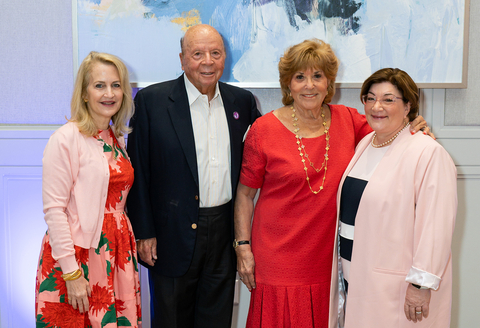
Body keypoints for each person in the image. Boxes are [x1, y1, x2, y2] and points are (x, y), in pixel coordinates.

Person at [234, 39, 430, 328]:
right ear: (288, 84)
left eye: (317, 76)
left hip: (329, 257)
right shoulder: (264, 130)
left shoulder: (349, 120)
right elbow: (245, 195)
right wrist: (243, 247)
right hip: (277, 258)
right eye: (300, 77)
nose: (309, 85)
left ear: (329, 83)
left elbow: (389, 133)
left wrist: (416, 126)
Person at [126, 24, 261, 327]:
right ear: (182, 58)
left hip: (223, 232)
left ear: (225, 56)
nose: (208, 61)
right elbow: (139, 172)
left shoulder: (242, 102)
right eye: (197, 54)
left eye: (215, 53)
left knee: (217, 317)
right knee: (172, 318)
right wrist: (144, 232)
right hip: (169, 233)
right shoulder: (151, 102)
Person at [332, 68, 456, 327]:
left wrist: (420, 284)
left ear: (408, 105)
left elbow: (436, 226)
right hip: (354, 272)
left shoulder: (427, 152)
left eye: (389, 99)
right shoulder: (366, 143)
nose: (377, 106)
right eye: (370, 97)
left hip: (396, 285)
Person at [35, 51, 141, 327]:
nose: (110, 93)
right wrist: (71, 273)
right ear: (84, 93)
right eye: (99, 85)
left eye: (116, 85)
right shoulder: (66, 138)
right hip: (78, 256)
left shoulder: (115, 136)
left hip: (116, 251)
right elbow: (54, 210)